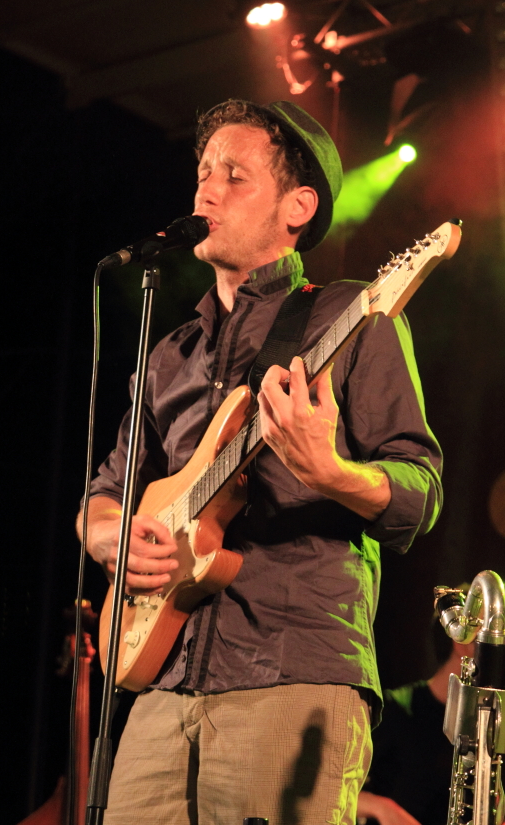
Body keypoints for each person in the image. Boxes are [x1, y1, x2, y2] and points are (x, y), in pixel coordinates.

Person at [77, 99, 443, 825]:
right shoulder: (170, 355)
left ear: (297, 206)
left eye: (234, 175)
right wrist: (113, 537)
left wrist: (331, 471)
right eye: (203, 172)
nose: (206, 191)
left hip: (293, 672)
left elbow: (420, 489)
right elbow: (104, 494)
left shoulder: (353, 318)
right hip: (159, 686)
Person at [357, 625, 474, 825]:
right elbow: (336, 790)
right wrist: (383, 808)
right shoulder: (396, 710)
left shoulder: (488, 723)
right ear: (461, 643)